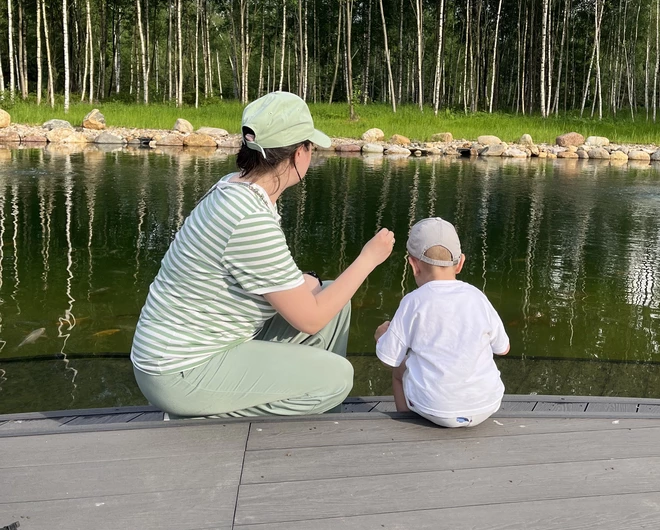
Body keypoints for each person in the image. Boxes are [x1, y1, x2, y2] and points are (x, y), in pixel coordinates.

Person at [131, 91, 395, 418]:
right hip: (178, 371)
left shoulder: (236, 188)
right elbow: (309, 320)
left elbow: (261, 274)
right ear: (299, 154)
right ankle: (199, 418)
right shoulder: (249, 217)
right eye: (310, 147)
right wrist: (369, 258)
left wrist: (308, 283)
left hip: (185, 353)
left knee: (333, 300)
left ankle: (308, 403)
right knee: (337, 378)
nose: (311, 156)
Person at [374, 217, 509, 428]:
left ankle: (405, 422)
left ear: (413, 265)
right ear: (460, 263)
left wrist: (382, 337)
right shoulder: (477, 297)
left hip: (434, 409)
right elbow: (503, 349)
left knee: (399, 371)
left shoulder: (413, 301)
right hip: (487, 404)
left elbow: (388, 359)